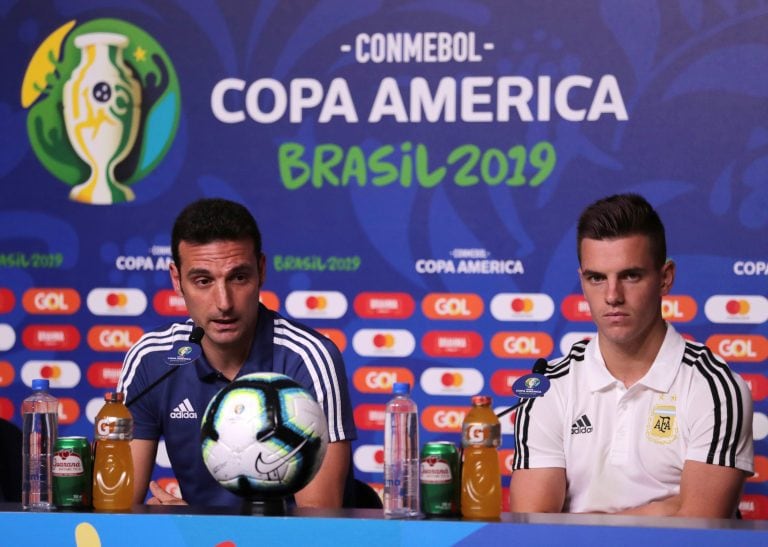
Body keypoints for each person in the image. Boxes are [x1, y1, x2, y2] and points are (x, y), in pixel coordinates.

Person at [509, 193, 753, 517]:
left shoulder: (716, 390)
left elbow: (697, 535)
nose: (612, 296)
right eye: (597, 278)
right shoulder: (547, 389)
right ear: (582, 281)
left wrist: (577, 524)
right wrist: (665, 509)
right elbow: (534, 534)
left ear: (665, 278)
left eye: (630, 276)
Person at [117, 198, 356, 508]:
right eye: (203, 281)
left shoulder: (309, 359)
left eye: (238, 277)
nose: (224, 302)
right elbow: (115, 514)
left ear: (261, 271)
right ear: (176, 280)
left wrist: (195, 527)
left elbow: (319, 526)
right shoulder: (152, 360)